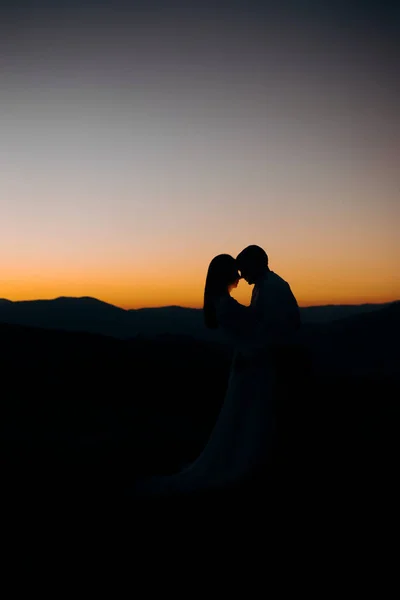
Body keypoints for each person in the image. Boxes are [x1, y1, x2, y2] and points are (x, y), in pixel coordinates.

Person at [135, 254, 276, 497]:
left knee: (238, 417)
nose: (240, 277)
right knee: (241, 417)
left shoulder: (220, 302)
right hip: (247, 366)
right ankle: (236, 465)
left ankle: (237, 461)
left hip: (244, 365)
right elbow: (251, 328)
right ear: (226, 274)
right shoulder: (224, 304)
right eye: (235, 271)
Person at [236, 244, 309, 471]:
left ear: (257, 263)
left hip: (278, 361)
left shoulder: (274, 287)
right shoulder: (261, 287)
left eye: (244, 268)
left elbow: (283, 326)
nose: (242, 274)